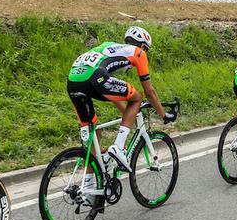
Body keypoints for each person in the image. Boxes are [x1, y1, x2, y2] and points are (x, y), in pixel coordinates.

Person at [67, 26, 175, 173]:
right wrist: (163, 115)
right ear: (143, 46)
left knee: (94, 135)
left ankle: (90, 187)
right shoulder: (139, 53)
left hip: (73, 81)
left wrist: (129, 113)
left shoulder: (109, 47)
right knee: (137, 97)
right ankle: (118, 147)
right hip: (94, 77)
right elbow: (149, 92)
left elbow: (112, 93)